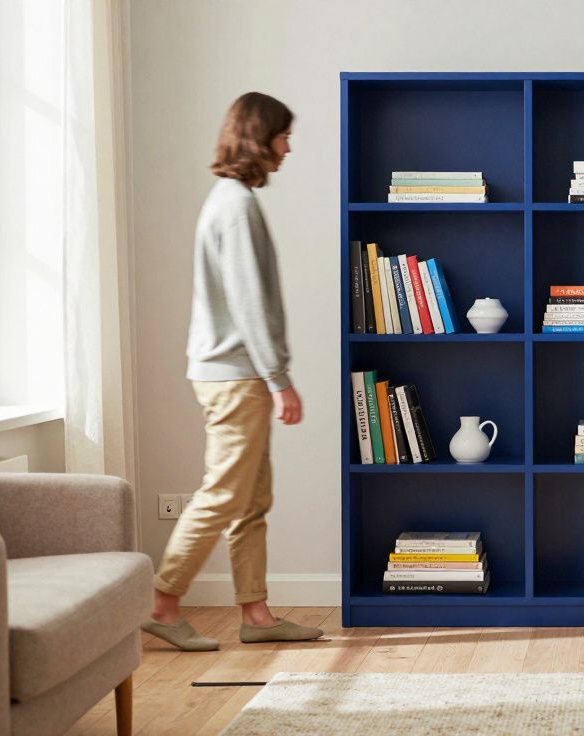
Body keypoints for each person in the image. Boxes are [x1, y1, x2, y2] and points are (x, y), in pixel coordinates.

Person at [141, 92, 322, 651]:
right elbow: (248, 303)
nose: (289, 147)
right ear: (259, 137)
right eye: (283, 136)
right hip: (236, 375)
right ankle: (163, 605)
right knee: (223, 494)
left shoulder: (230, 199)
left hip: (232, 372)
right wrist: (279, 379)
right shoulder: (236, 205)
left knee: (251, 499)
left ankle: (258, 615)